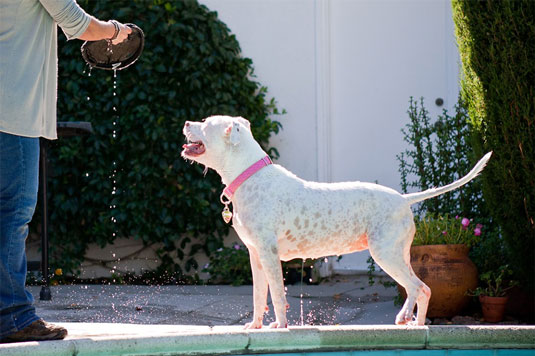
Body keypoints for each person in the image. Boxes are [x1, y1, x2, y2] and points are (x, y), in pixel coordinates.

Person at [0, 0, 131, 343]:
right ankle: (11, 316)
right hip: (11, 113)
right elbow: (79, 24)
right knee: (12, 215)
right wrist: (117, 32)